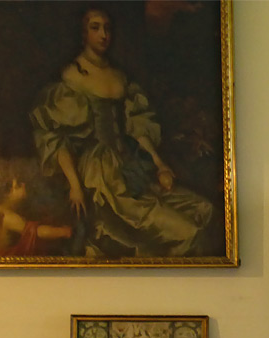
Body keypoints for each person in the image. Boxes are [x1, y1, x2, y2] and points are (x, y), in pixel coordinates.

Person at [30, 7, 214, 258]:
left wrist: (160, 165)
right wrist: (74, 185)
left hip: (130, 164)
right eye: (95, 28)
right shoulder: (72, 77)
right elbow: (57, 137)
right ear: (83, 33)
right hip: (101, 174)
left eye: (107, 28)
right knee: (186, 231)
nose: (103, 34)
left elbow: (137, 126)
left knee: (203, 209)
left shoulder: (120, 77)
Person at [0, 173, 74, 256]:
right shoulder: (8, 217)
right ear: (8, 193)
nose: (24, 185)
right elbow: (37, 232)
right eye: (18, 185)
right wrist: (64, 232)